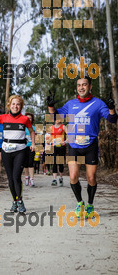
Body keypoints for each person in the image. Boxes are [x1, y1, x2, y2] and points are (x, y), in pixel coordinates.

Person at [47, 76, 117, 218]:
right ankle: (80, 203)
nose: (81, 87)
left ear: (90, 86)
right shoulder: (71, 104)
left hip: (90, 145)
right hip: (74, 145)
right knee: (73, 176)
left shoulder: (98, 103)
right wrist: (51, 107)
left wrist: (111, 108)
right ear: (76, 87)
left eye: (84, 84)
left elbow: (112, 119)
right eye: (79, 85)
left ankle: (90, 204)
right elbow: (55, 118)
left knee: (91, 178)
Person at [0, 95, 35, 213]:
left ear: (21, 107)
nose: (15, 106)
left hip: (20, 150)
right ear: (9, 105)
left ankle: (20, 201)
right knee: (10, 178)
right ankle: (14, 201)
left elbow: (32, 132)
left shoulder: (25, 119)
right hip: (6, 151)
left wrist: (33, 143)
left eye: (18, 104)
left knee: (16, 177)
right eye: (13, 104)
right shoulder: (3, 117)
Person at [50, 119, 67, 187]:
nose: (58, 120)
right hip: (53, 146)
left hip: (61, 147)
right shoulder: (51, 127)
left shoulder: (63, 127)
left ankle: (60, 178)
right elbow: (48, 137)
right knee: (54, 162)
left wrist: (65, 142)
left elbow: (69, 135)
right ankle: (54, 179)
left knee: (60, 163)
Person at [24, 112, 36, 187]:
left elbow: (36, 138)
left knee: (31, 163)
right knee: (25, 164)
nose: (29, 119)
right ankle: (26, 177)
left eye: (30, 118)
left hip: (31, 147)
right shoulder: (22, 127)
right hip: (23, 147)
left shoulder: (34, 128)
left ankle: (32, 179)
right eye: (27, 118)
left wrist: (34, 144)